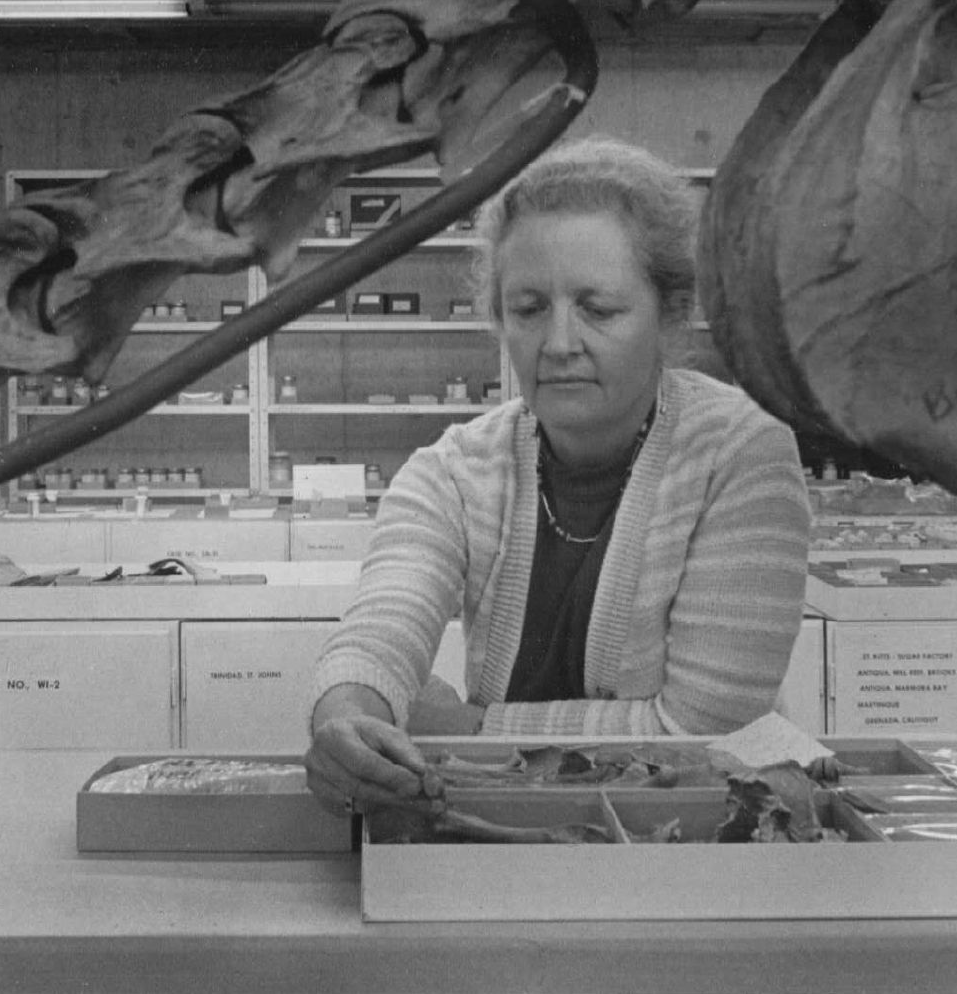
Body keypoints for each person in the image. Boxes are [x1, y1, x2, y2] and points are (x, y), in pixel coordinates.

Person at [304, 136, 810, 815]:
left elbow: (706, 729)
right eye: (529, 308)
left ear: (672, 313)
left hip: (692, 840)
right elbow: (378, 634)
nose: (560, 342)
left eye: (597, 309)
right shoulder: (454, 469)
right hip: (502, 826)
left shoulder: (743, 456)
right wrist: (347, 713)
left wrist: (473, 729)